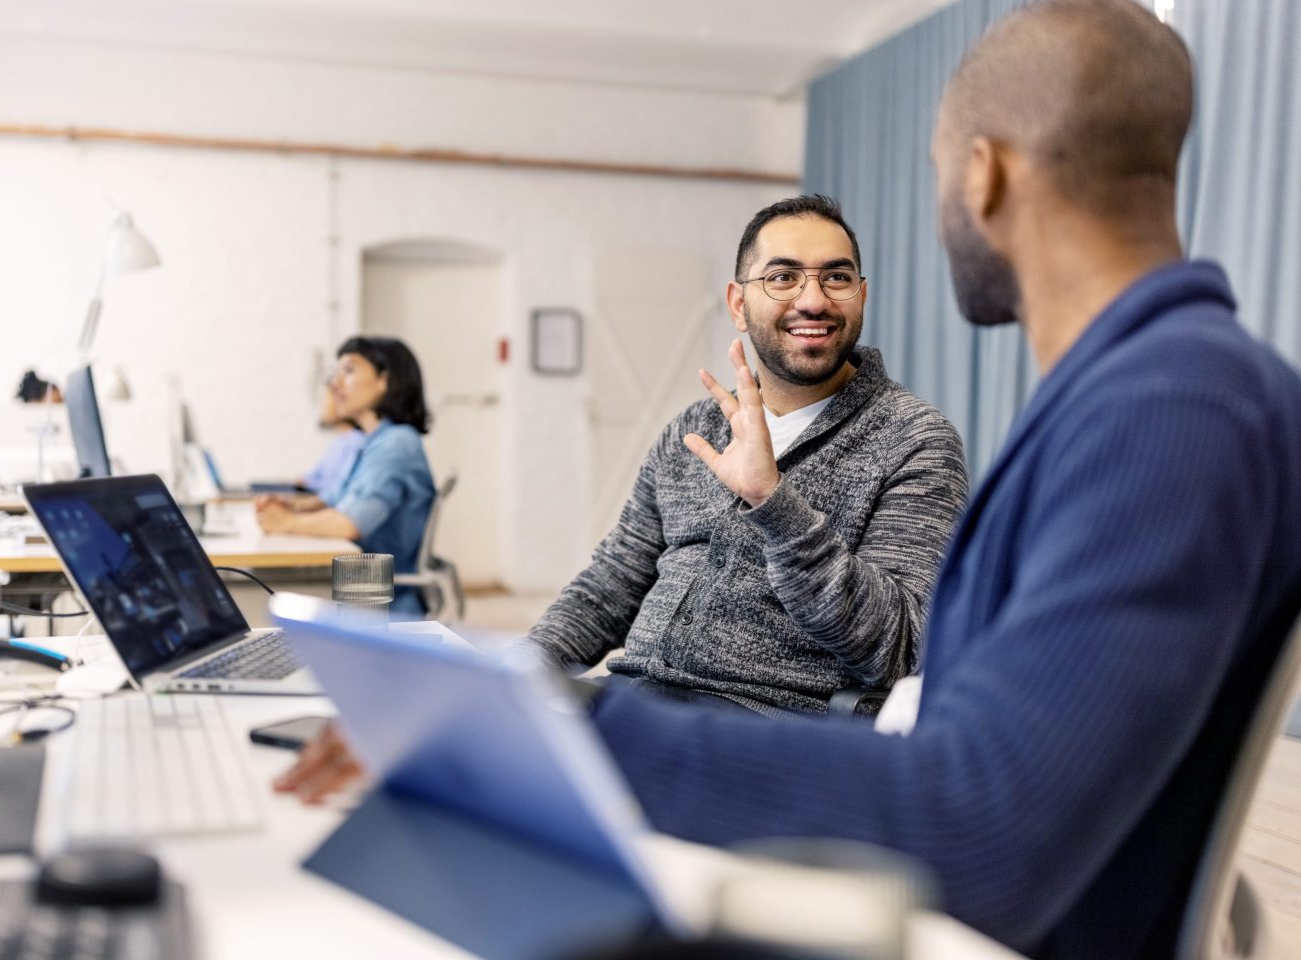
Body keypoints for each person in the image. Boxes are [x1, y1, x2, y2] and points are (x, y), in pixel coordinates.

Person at [277, 2, 1301, 956]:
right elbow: (973, 748)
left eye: (939, 174)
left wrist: (581, 732)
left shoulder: (1170, 411)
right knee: (397, 858)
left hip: (919, 907)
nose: (816, 296)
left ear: (982, 175)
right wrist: (509, 706)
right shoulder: (1134, 399)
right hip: (852, 848)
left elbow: (979, 827)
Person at [524, 194, 968, 713]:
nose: (814, 300)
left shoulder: (915, 441)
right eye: (783, 277)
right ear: (738, 303)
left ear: (862, 296)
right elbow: (610, 588)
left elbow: (897, 647)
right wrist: (515, 669)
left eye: (837, 277)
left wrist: (773, 502)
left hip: (760, 724)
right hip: (632, 700)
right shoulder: (691, 430)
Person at [256, 336, 435, 616]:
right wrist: (291, 508)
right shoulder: (371, 441)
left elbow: (349, 523)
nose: (334, 384)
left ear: (384, 381)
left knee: (253, 589)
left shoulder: (396, 444)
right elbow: (334, 499)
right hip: (358, 584)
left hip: (376, 599)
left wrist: (287, 522)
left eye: (349, 371)